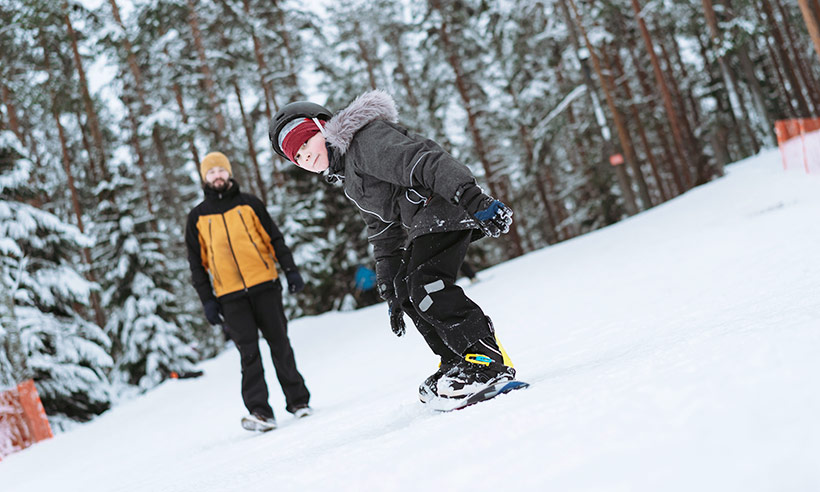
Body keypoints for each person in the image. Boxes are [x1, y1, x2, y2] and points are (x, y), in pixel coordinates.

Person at [268, 90, 517, 405]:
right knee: (407, 288)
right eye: (297, 157)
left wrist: (472, 198)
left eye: (306, 143)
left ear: (323, 127)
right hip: (424, 221)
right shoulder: (348, 175)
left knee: (427, 285)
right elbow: (381, 228)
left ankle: (484, 359)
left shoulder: (365, 142)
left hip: (444, 205)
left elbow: (424, 161)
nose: (306, 157)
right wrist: (388, 280)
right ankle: (455, 358)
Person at [185, 151, 311, 431]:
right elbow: (197, 264)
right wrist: (208, 301)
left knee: (280, 344)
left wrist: (290, 269)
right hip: (229, 297)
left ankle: (299, 401)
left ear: (228, 173)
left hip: (265, 285)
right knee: (248, 354)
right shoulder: (197, 218)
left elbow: (274, 238)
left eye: (221, 170)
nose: (217, 176)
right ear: (205, 178)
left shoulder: (250, 204)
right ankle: (260, 412)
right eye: (211, 172)